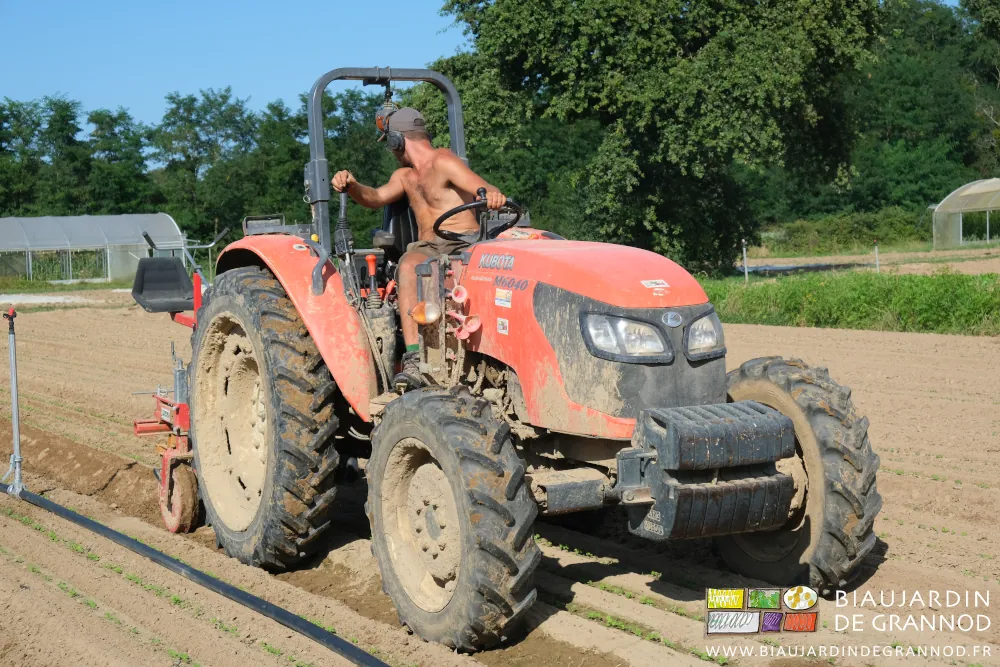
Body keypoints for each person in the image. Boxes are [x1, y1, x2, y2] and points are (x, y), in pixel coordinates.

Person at [331, 107, 507, 389]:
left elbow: (483, 188)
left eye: (389, 144)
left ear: (396, 141)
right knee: (410, 264)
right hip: (427, 245)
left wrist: (494, 196)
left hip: (463, 241)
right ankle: (414, 358)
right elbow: (374, 197)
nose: (390, 151)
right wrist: (351, 186)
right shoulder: (405, 177)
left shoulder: (444, 161)